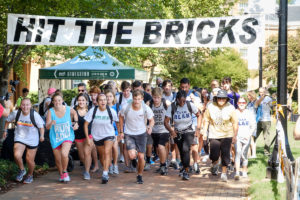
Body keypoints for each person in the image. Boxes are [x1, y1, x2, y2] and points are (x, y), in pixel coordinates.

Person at [3, 98, 45, 184]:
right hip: (20, 137)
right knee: (17, 155)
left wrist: (42, 136)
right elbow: (7, 121)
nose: (25, 107)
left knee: (29, 160)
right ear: (20, 105)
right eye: (23, 105)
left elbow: (41, 127)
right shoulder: (16, 113)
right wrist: (5, 131)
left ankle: (30, 175)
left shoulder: (35, 115)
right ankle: (22, 170)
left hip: (32, 139)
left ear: (30, 105)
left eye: (27, 105)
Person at [164, 90, 202, 181]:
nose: (182, 103)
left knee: (186, 149)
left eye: (184, 101)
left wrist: (198, 129)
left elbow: (199, 115)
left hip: (189, 130)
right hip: (177, 132)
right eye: (180, 101)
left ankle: (186, 170)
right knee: (182, 151)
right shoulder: (172, 107)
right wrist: (171, 131)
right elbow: (165, 122)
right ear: (176, 99)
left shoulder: (189, 105)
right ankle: (184, 166)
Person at [202, 90, 238, 182]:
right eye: (219, 98)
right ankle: (215, 163)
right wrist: (204, 132)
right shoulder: (211, 107)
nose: (221, 100)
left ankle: (224, 173)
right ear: (216, 98)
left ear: (226, 99)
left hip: (227, 134)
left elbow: (235, 122)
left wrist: (235, 135)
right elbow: (206, 120)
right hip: (214, 133)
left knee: (225, 153)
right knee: (214, 154)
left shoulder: (231, 108)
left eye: (223, 98)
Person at [119, 90, 155, 184]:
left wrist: (150, 127)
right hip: (129, 133)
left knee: (141, 156)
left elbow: (151, 120)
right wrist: (121, 131)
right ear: (132, 99)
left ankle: (139, 175)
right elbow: (121, 117)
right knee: (131, 155)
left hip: (141, 133)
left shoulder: (145, 108)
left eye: (139, 99)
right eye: (135, 99)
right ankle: (133, 160)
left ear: (142, 99)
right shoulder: (126, 107)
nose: (137, 101)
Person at [84, 93, 119, 184]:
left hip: (109, 134)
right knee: (102, 155)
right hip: (97, 136)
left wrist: (119, 133)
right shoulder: (93, 111)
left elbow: (118, 122)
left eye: (104, 100)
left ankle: (105, 173)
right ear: (97, 101)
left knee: (107, 151)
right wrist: (88, 138)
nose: (103, 101)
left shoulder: (111, 111)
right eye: (101, 100)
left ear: (107, 101)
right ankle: (107, 167)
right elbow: (85, 124)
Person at [46, 93, 79, 182]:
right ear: (53, 102)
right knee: (58, 159)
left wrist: (76, 123)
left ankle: (65, 172)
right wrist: (50, 123)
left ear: (62, 101)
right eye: (55, 101)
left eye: (59, 100)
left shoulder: (68, 109)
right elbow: (47, 127)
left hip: (67, 135)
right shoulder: (50, 111)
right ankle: (61, 174)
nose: (57, 102)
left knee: (64, 154)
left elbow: (75, 113)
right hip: (55, 137)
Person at [179, 78, 202, 172]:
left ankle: (195, 163)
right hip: (182, 124)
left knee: (194, 145)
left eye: (186, 87)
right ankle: (186, 165)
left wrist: (199, 127)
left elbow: (201, 109)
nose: (184, 89)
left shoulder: (194, 95)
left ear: (189, 86)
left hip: (193, 123)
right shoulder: (178, 95)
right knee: (184, 147)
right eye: (182, 87)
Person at [73, 93, 97, 180]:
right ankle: (88, 165)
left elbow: (95, 122)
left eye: (83, 100)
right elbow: (70, 121)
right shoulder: (74, 110)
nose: (81, 102)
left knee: (87, 153)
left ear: (86, 101)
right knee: (82, 156)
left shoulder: (91, 109)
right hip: (78, 136)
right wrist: (73, 126)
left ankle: (86, 172)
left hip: (89, 134)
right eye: (79, 100)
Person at [234, 97, 256, 180]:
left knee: (244, 154)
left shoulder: (249, 113)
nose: (241, 104)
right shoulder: (234, 113)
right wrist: (234, 136)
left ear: (246, 103)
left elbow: (253, 125)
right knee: (238, 152)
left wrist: (249, 135)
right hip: (237, 136)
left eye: (243, 102)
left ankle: (244, 170)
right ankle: (237, 172)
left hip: (246, 136)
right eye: (240, 102)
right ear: (237, 103)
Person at [150, 88, 169, 175]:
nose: (156, 99)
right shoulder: (149, 104)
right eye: (154, 97)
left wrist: (171, 126)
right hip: (154, 130)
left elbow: (173, 112)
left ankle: (163, 165)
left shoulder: (166, 103)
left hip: (164, 130)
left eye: (158, 97)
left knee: (161, 146)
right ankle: (162, 163)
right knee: (157, 150)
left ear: (161, 97)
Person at [105, 89, 120, 175]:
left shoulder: (117, 107)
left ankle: (115, 164)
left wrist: (121, 132)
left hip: (115, 131)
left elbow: (120, 120)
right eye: (107, 96)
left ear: (113, 97)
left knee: (114, 147)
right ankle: (109, 165)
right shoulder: (103, 107)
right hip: (106, 131)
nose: (108, 98)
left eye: (110, 96)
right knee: (108, 149)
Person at [255, 87, 273, 156]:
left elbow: (272, 107)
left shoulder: (269, 99)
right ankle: (251, 150)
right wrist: (260, 99)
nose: (261, 93)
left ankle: (267, 152)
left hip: (266, 120)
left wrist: (272, 104)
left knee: (266, 137)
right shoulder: (257, 98)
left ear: (265, 92)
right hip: (259, 120)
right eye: (260, 92)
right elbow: (256, 106)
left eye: (263, 91)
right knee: (254, 135)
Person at [246, 91, 258, 158]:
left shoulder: (255, 102)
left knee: (251, 138)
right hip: (248, 122)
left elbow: (259, 100)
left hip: (252, 122)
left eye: (248, 95)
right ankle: (249, 154)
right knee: (249, 139)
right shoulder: (249, 103)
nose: (247, 97)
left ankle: (254, 154)